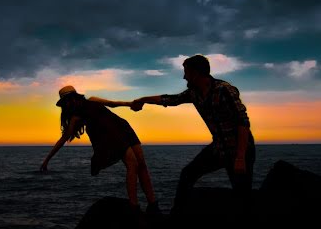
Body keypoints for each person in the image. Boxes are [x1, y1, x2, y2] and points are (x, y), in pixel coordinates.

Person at [131, 54, 255, 213]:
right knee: (187, 174)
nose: (184, 77)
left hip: (240, 150)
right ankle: (177, 217)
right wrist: (143, 99)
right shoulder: (193, 93)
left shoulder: (224, 90)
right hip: (218, 149)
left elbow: (242, 122)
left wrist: (240, 157)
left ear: (196, 73)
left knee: (242, 196)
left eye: (186, 72)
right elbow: (171, 99)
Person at [41, 86, 160, 217]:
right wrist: (47, 159)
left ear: (75, 98)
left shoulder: (92, 100)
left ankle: (153, 204)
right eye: (66, 103)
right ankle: (134, 207)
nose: (68, 104)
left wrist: (130, 104)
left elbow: (112, 104)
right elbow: (63, 139)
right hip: (110, 135)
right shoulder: (76, 117)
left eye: (69, 100)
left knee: (142, 165)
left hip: (122, 127)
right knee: (133, 164)